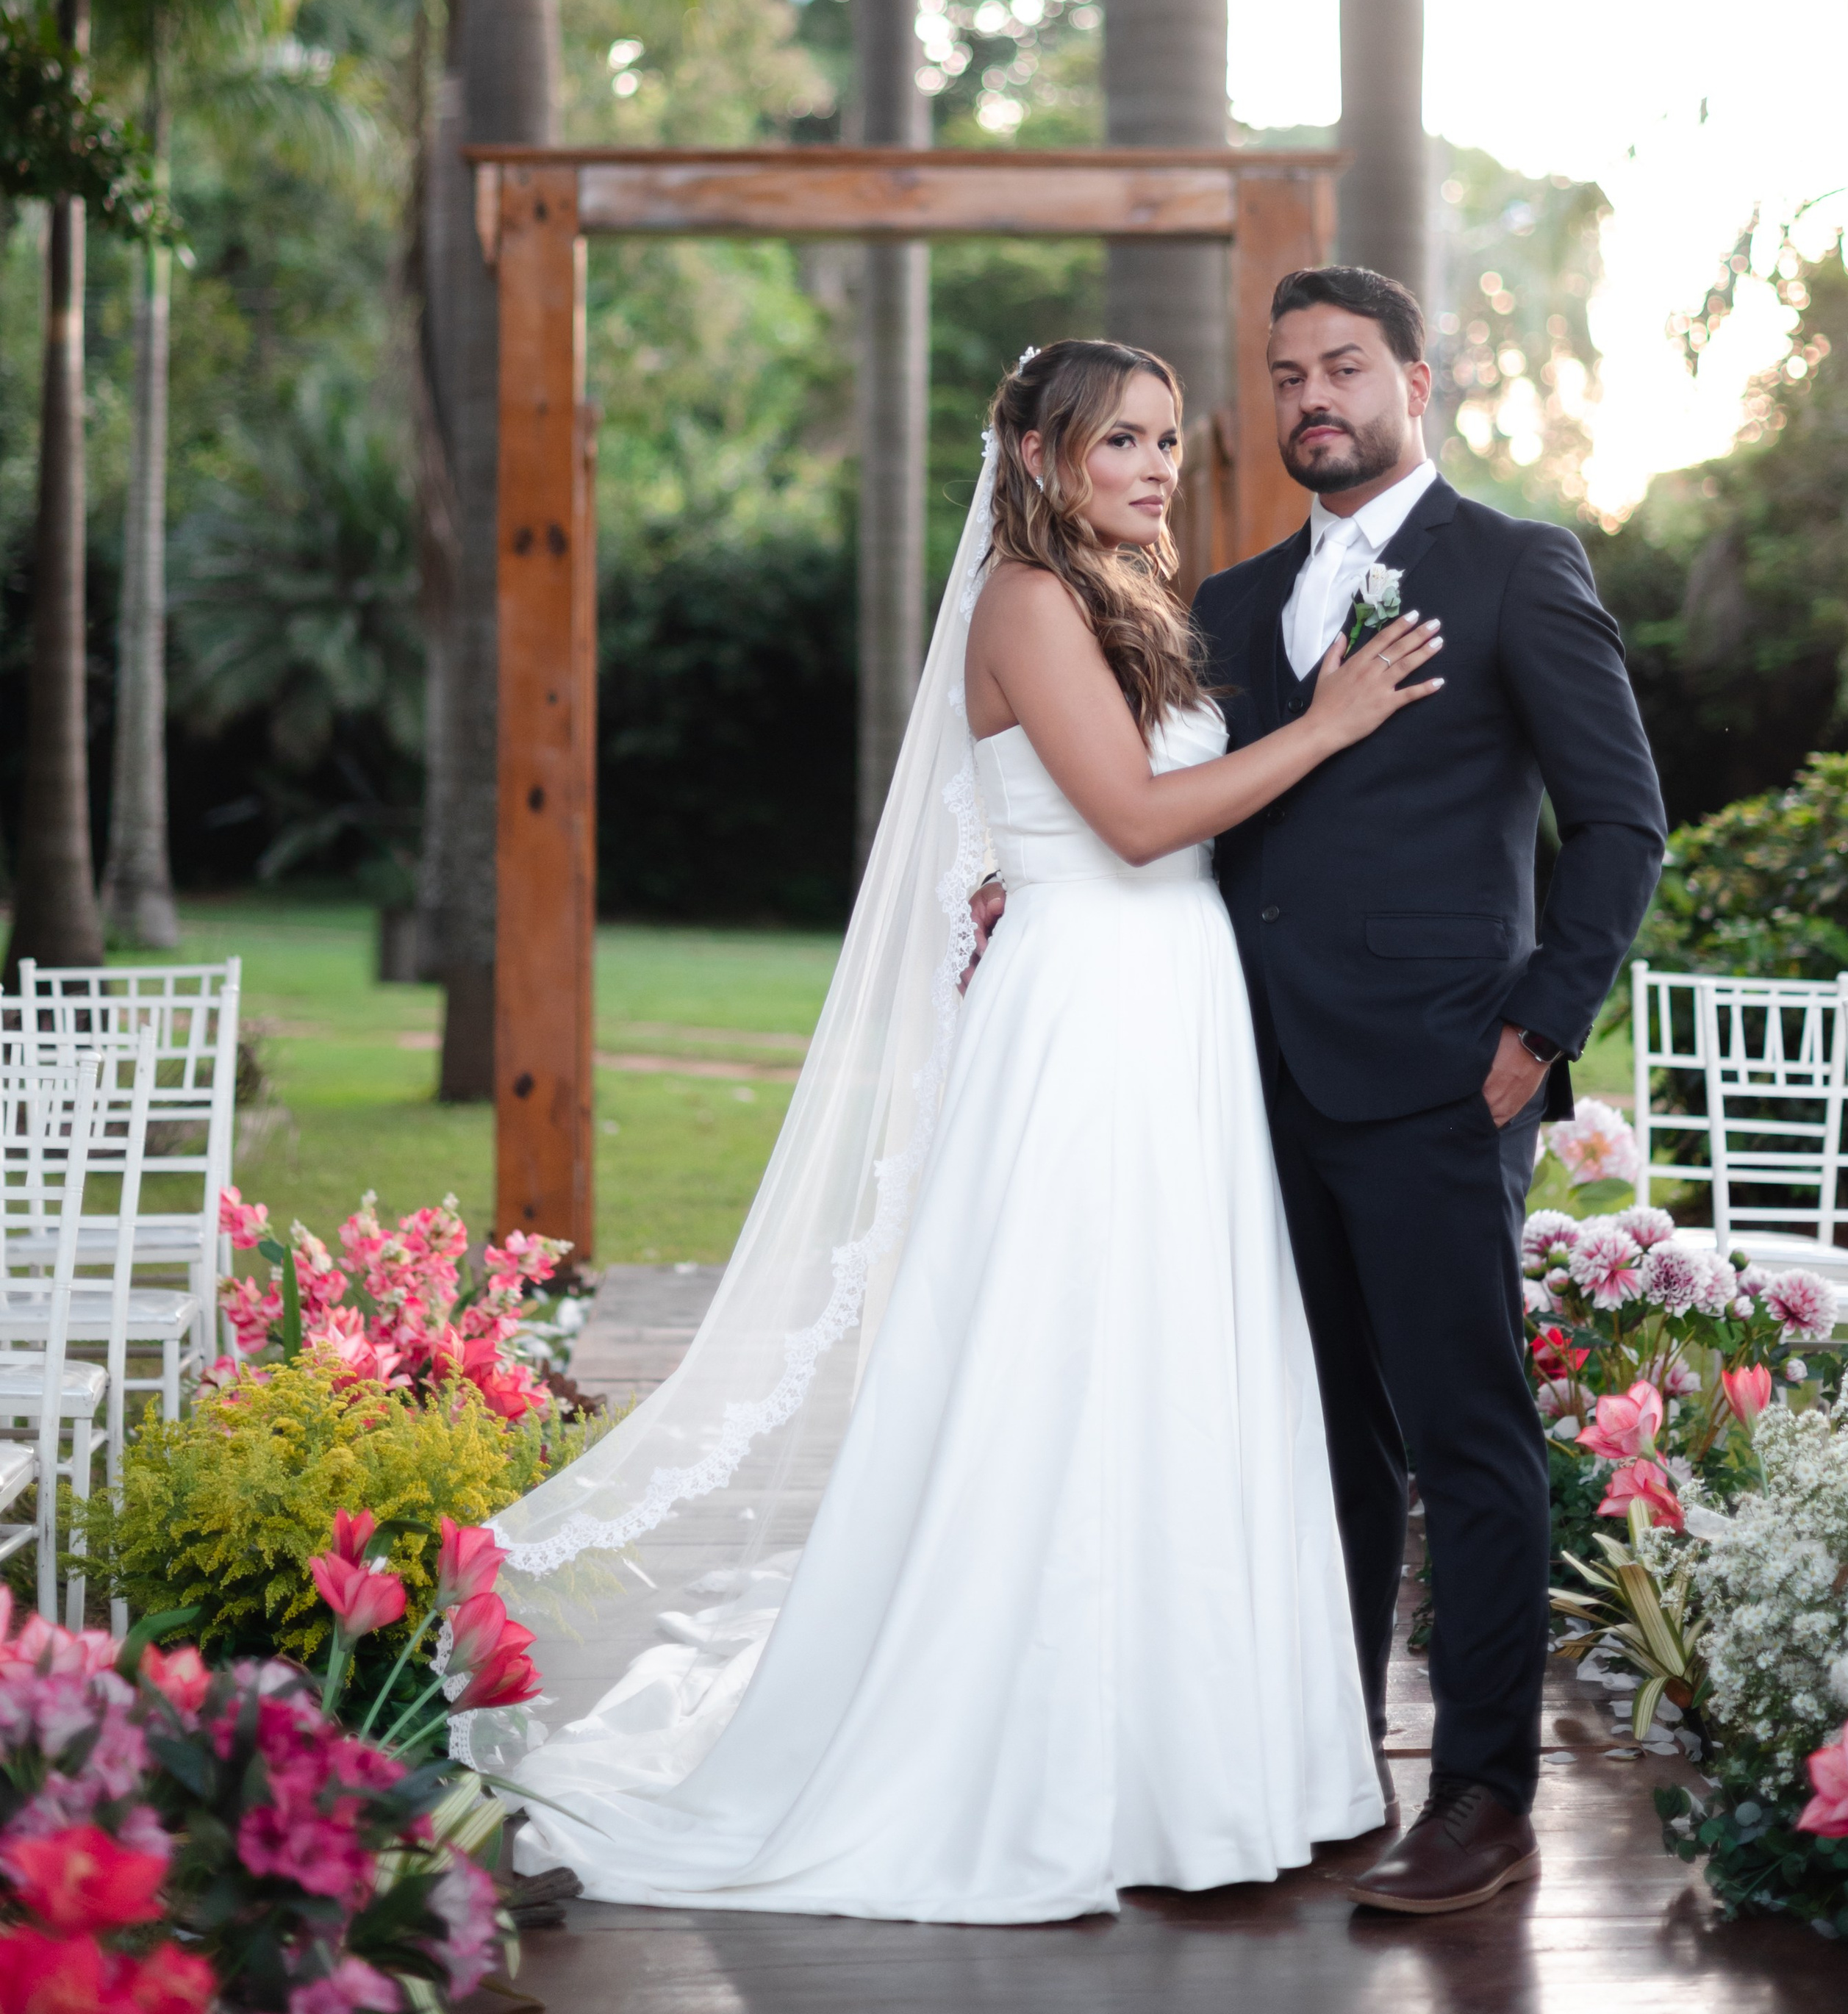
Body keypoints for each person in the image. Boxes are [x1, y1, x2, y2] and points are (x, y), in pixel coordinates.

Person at [477, 339, 1444, 1923]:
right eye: (1117, 442)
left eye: (1163, 442)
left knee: (1174, 1365)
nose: (1149, 468)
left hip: (1170, 1010)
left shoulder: (1126, 598)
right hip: (1090, 1021)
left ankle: (1202, 1763)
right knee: (1068, 1366)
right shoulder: (1025, 599)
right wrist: (1330, 723)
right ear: (1043, 457)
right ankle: (1043, 1762)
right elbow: (1131, 824)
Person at [1189, 265, 1666, 1915]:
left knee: (1464, 1438)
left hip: (1442, 1078)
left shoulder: (1515, 569)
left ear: (1413, 379)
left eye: (1340, 365)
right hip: (1253, 1078)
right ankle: (1325, 1753)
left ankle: (1481, 1794)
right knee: (1316, 1432)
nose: (1309, 395)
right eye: (1283, 374)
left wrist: (1537, 1034)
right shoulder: (1232, 602)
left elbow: (1619, 822)